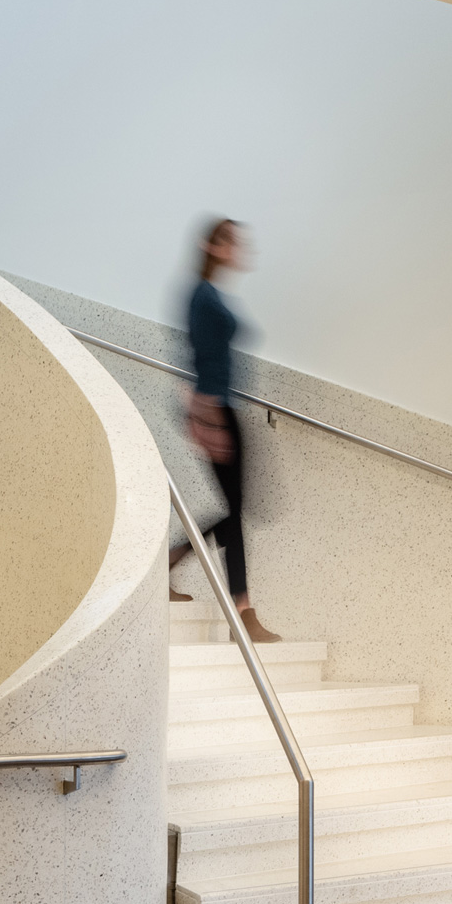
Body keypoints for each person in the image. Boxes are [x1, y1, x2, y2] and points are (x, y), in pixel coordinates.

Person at [177, 216, 280, 641]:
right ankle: (243, 613)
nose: (239, 249)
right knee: (234, 514)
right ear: (213, 247)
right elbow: (201, 357)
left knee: (232, 511)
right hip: (218, 410)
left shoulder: (211, 294)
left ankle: (168, 560)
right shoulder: (201, 296)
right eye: (231, 242)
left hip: (225, 409)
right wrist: (206, 417)